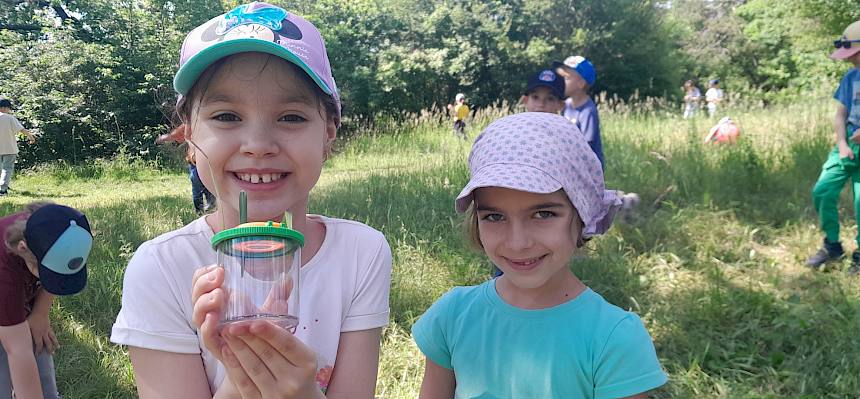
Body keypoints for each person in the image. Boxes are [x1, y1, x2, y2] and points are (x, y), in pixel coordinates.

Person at [110, 2, 393, 398]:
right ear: (189, 138)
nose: (258, 146)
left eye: (291, 117)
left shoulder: (361, 252)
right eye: (226, 116)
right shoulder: (160, 268)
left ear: (328, 134)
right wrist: (240, 374)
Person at [412, 112, 667, 398]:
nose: (518, 243)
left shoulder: (613, 338)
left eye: (543, 214)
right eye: (495, 216)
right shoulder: (452, 317)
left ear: (583, 214)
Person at [1, 202, 93, 399]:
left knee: (42, 373)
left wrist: (40, 314)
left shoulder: (59, 226)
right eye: (48, 274)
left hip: (17, 298)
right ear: (23, 248)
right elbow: (18, 350)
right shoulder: (4, 272)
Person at [807, 19, 860, 273]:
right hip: (848, 146)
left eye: (855, 55)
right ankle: (832, 246)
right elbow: (840, 114)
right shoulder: (850, 78)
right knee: (822, 191)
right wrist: (841, 143)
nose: (850, 60)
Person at [553, 56, 604, 170]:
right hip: (572, 165)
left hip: (588, 169)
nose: (561, 82)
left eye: (565, 78)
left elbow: (587, 144)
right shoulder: (566, 105)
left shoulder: (588, 110)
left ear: (581, 83)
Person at [155, 125, 217, 214]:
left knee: (208, 183)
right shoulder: (189, 124)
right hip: (194, 162)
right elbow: (176, 134)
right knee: (196, 183)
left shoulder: (210, 125)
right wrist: (165, 138)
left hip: (208, 161)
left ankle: (211, 204)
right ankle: (199, 211)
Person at [0, 99, 36, 196]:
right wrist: (31, 137)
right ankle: (3, 189)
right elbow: (21, 129)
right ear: (4, 108)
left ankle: (2, 186)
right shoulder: (9, 118)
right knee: (7, 168)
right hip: (9, 148)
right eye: (9, 108)